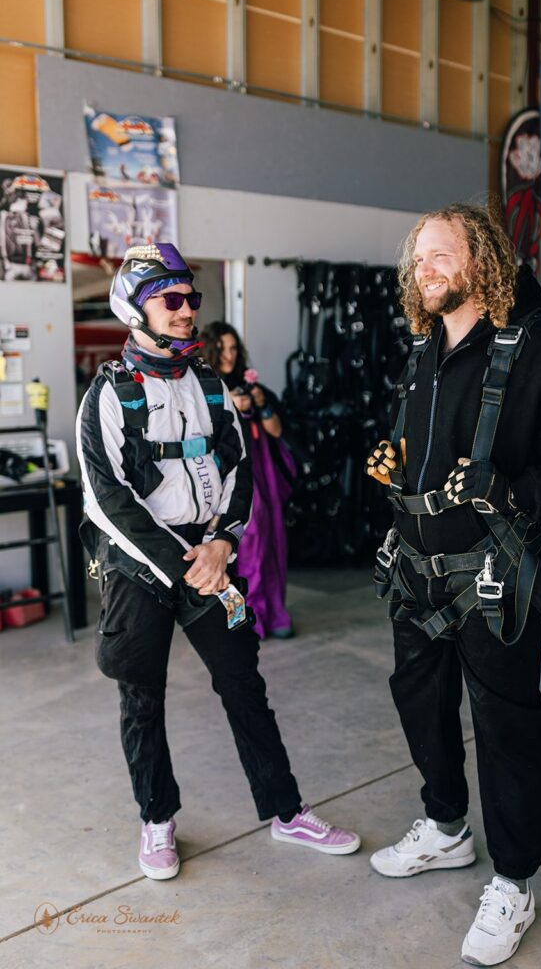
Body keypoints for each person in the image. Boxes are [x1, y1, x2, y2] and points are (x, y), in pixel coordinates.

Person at [365, 205, 541, 966]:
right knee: (418, 700)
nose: (426, 269)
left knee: (506, 726)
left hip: (493, 574)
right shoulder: (423, 347)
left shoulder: (539, 349)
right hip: (415, 569)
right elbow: (429, 444)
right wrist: (396, 455)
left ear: (481, 257)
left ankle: (513, 880)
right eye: (418, 259)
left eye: (441, 254)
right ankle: (445, 827)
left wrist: (518, 492)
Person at [77, 243, 360, 881]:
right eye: (170, 300)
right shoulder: (106, 396)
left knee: (244, 684)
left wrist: (224, 544)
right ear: (136, 308)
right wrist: (187, 564)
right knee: (141, 696)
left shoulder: (211, 385)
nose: (186, 311)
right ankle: (157, 820)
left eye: (191, 299)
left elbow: (239, 468)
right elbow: (107, 499)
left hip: (210, 554)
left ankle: (285, 811)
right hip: (139, 565)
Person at [199, 321, 296, 640]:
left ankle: (273, 613)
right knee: (235, 551)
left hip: (260, 477)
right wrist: (230, 407)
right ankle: (240, 618)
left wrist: (260, 405)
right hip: (223, 480)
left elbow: (277, 431)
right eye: (221, 349)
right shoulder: (203, 388)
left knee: (269, 543)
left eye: (233, 348)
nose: (228, 355)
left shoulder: (251, 386)